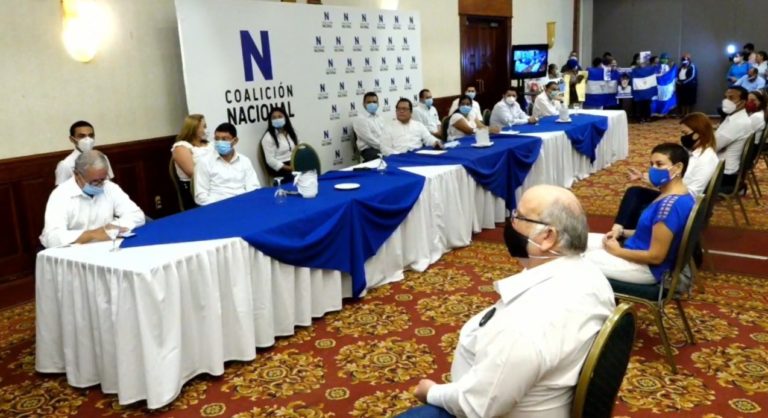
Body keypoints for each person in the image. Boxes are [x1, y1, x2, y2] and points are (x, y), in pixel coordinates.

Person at [402, 185, 615, 418]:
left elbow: (478, 407)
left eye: (519, 217)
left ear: (547, 237)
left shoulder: (526, 321)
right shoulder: (593, 276)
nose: (511, 222)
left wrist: (431, 392)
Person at [586, 143, 695, 285]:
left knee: (573, 259)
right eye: (651, 164)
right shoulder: (677, 195)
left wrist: (617, 252)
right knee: (575, 241)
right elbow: (651, 233)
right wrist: (621, 232)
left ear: (678, 167)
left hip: (645, 268)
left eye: (659, 164)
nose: (653, 169)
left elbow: (656, 257)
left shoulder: (669, 206)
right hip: (634, 251)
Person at [40, 150, 145, 248]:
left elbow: (137, 216)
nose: (99, 185)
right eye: (94, 181)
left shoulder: (109, 187)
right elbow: (52, 238)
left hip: (106, 245)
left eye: (102, 180)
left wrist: (111, 228)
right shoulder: (60, 195)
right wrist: (92, 235)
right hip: (74, 251)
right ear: (77, 175)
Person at [194, 123, 260, 205]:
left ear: (235, 141)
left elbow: (254, 187)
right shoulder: (204, 162)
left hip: (244, 203)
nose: (219, 142)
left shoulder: (244, 161)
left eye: (224, 139)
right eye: (217, 139)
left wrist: (248, 202)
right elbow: (200, 196)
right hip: (218, 206)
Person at [715, 86, 753, 193]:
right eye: (725, 97)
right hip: (722, 167)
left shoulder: (738, 122)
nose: (726, 101)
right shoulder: (732, 117)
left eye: (731, 98)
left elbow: (713, 146)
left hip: (724, 174)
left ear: (743, 102)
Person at [171, 114, 213, 209]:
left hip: (214, 183)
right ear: (194, 129)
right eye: (204, 126)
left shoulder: (209, 144)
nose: (206, 129)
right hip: (195, 189)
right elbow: (193, 173)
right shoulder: (181, 147)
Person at [55, 120, 115, 186]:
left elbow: (109, 182)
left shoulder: (103, 157)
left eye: (91, 135)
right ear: (72, 139)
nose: (87, 139)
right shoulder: (66, 165)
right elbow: (61, 190)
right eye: (82, 136)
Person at [261, 107, 298, 183]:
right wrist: (290, 168)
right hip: (282, 169)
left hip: (294, 163)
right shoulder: (268, 137)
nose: (277, 119)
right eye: (274, 118)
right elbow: (270, 160)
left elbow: (299, 145)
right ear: (270, 121)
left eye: (280, 116)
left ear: (285, 118)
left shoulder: (290, 132)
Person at [352, 92, 385, 162]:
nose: (372, 104)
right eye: (369, 102)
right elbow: (370, 140)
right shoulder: (360, 119)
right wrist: (384, 147)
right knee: (382, 160)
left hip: (382, 146)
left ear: (378, 104)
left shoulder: (380, 118)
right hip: (369, 149)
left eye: (374, 102)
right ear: (364, 104)